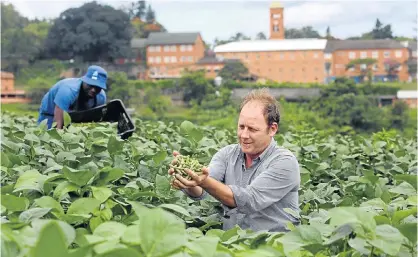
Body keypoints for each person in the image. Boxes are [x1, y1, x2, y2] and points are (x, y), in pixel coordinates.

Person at [169, 88, 300, 232]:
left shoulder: (284, 162)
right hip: (232, 246)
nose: (244, 135)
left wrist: (202, 180)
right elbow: (201, 190)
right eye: (241, 127)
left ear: (272, 129)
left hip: (275, 248)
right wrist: (188, 180)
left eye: (252, 129)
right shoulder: (227, 154)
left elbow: (249, 200)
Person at [37, 65, 107, 129]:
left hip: (74, 117)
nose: (93, 90)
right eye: (90, 85)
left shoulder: (101, 97)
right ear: (84, 81)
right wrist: (59, 132)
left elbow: (96, 119)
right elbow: (57, 123)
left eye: (97, 87)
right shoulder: (68, 90)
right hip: (50, 115)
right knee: (49, 136)